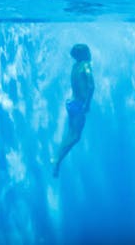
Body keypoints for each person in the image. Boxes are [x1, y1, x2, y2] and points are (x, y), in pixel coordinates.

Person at [52, 44, 95, 177]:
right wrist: (87, 104)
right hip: (79, 105)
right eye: (88, 51)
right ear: (84, 54)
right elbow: (92, 86)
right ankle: (57, 159)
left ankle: (57, 157)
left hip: (71, 103)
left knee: (70, 133)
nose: (90, 53)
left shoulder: (75, 66)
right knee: (75, 137)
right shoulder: (86, 66)